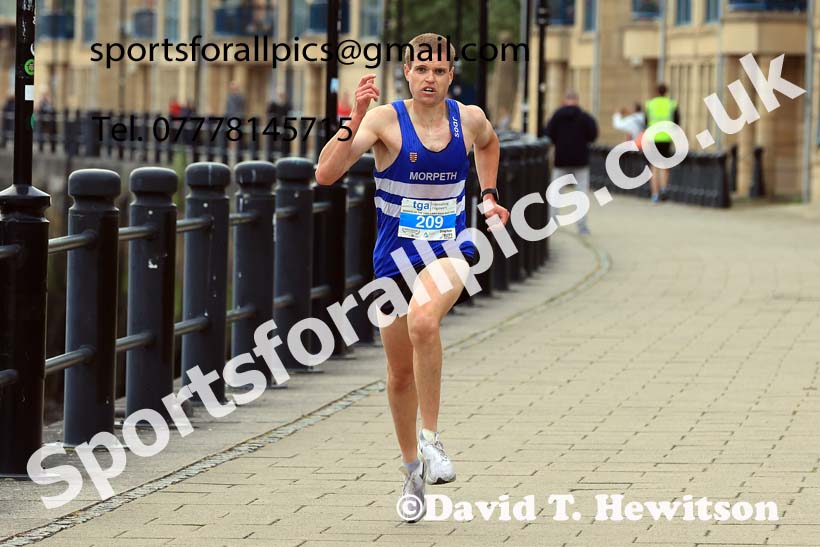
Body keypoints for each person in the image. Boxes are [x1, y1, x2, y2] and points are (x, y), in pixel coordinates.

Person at [315, 32, 509, 523]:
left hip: (450, 247)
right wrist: (353, 120)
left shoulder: (469, 119)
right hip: (393, 260)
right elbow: (326, 174)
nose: (431, 78)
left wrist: (487, 196)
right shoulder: (384, 121)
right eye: (422, 70)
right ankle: (411, 470)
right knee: (400, 375)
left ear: (450, 75)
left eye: (440, 71)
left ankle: (433, 439)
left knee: (425, 322)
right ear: (407, 71)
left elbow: (489, 145)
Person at [543, 89, 598, 235]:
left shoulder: (557, 116)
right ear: (577, 100)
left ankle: (552, 222)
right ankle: (582, 227)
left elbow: (548, 134)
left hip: (561, 160)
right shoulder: (585, 117)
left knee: (555, 193)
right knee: (581, 195)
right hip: (581, 161)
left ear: (564, 100)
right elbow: (593, 135)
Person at [645, 83, 680, 203]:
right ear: (666, 92)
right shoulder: (672, 104)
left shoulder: (650, 104)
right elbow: (677, 122)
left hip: (652, 138)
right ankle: (664, 189)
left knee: (654, 167)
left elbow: (645, 121)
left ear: (656, 92)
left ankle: (655, 195)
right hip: (666, 137)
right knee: (664, 166)